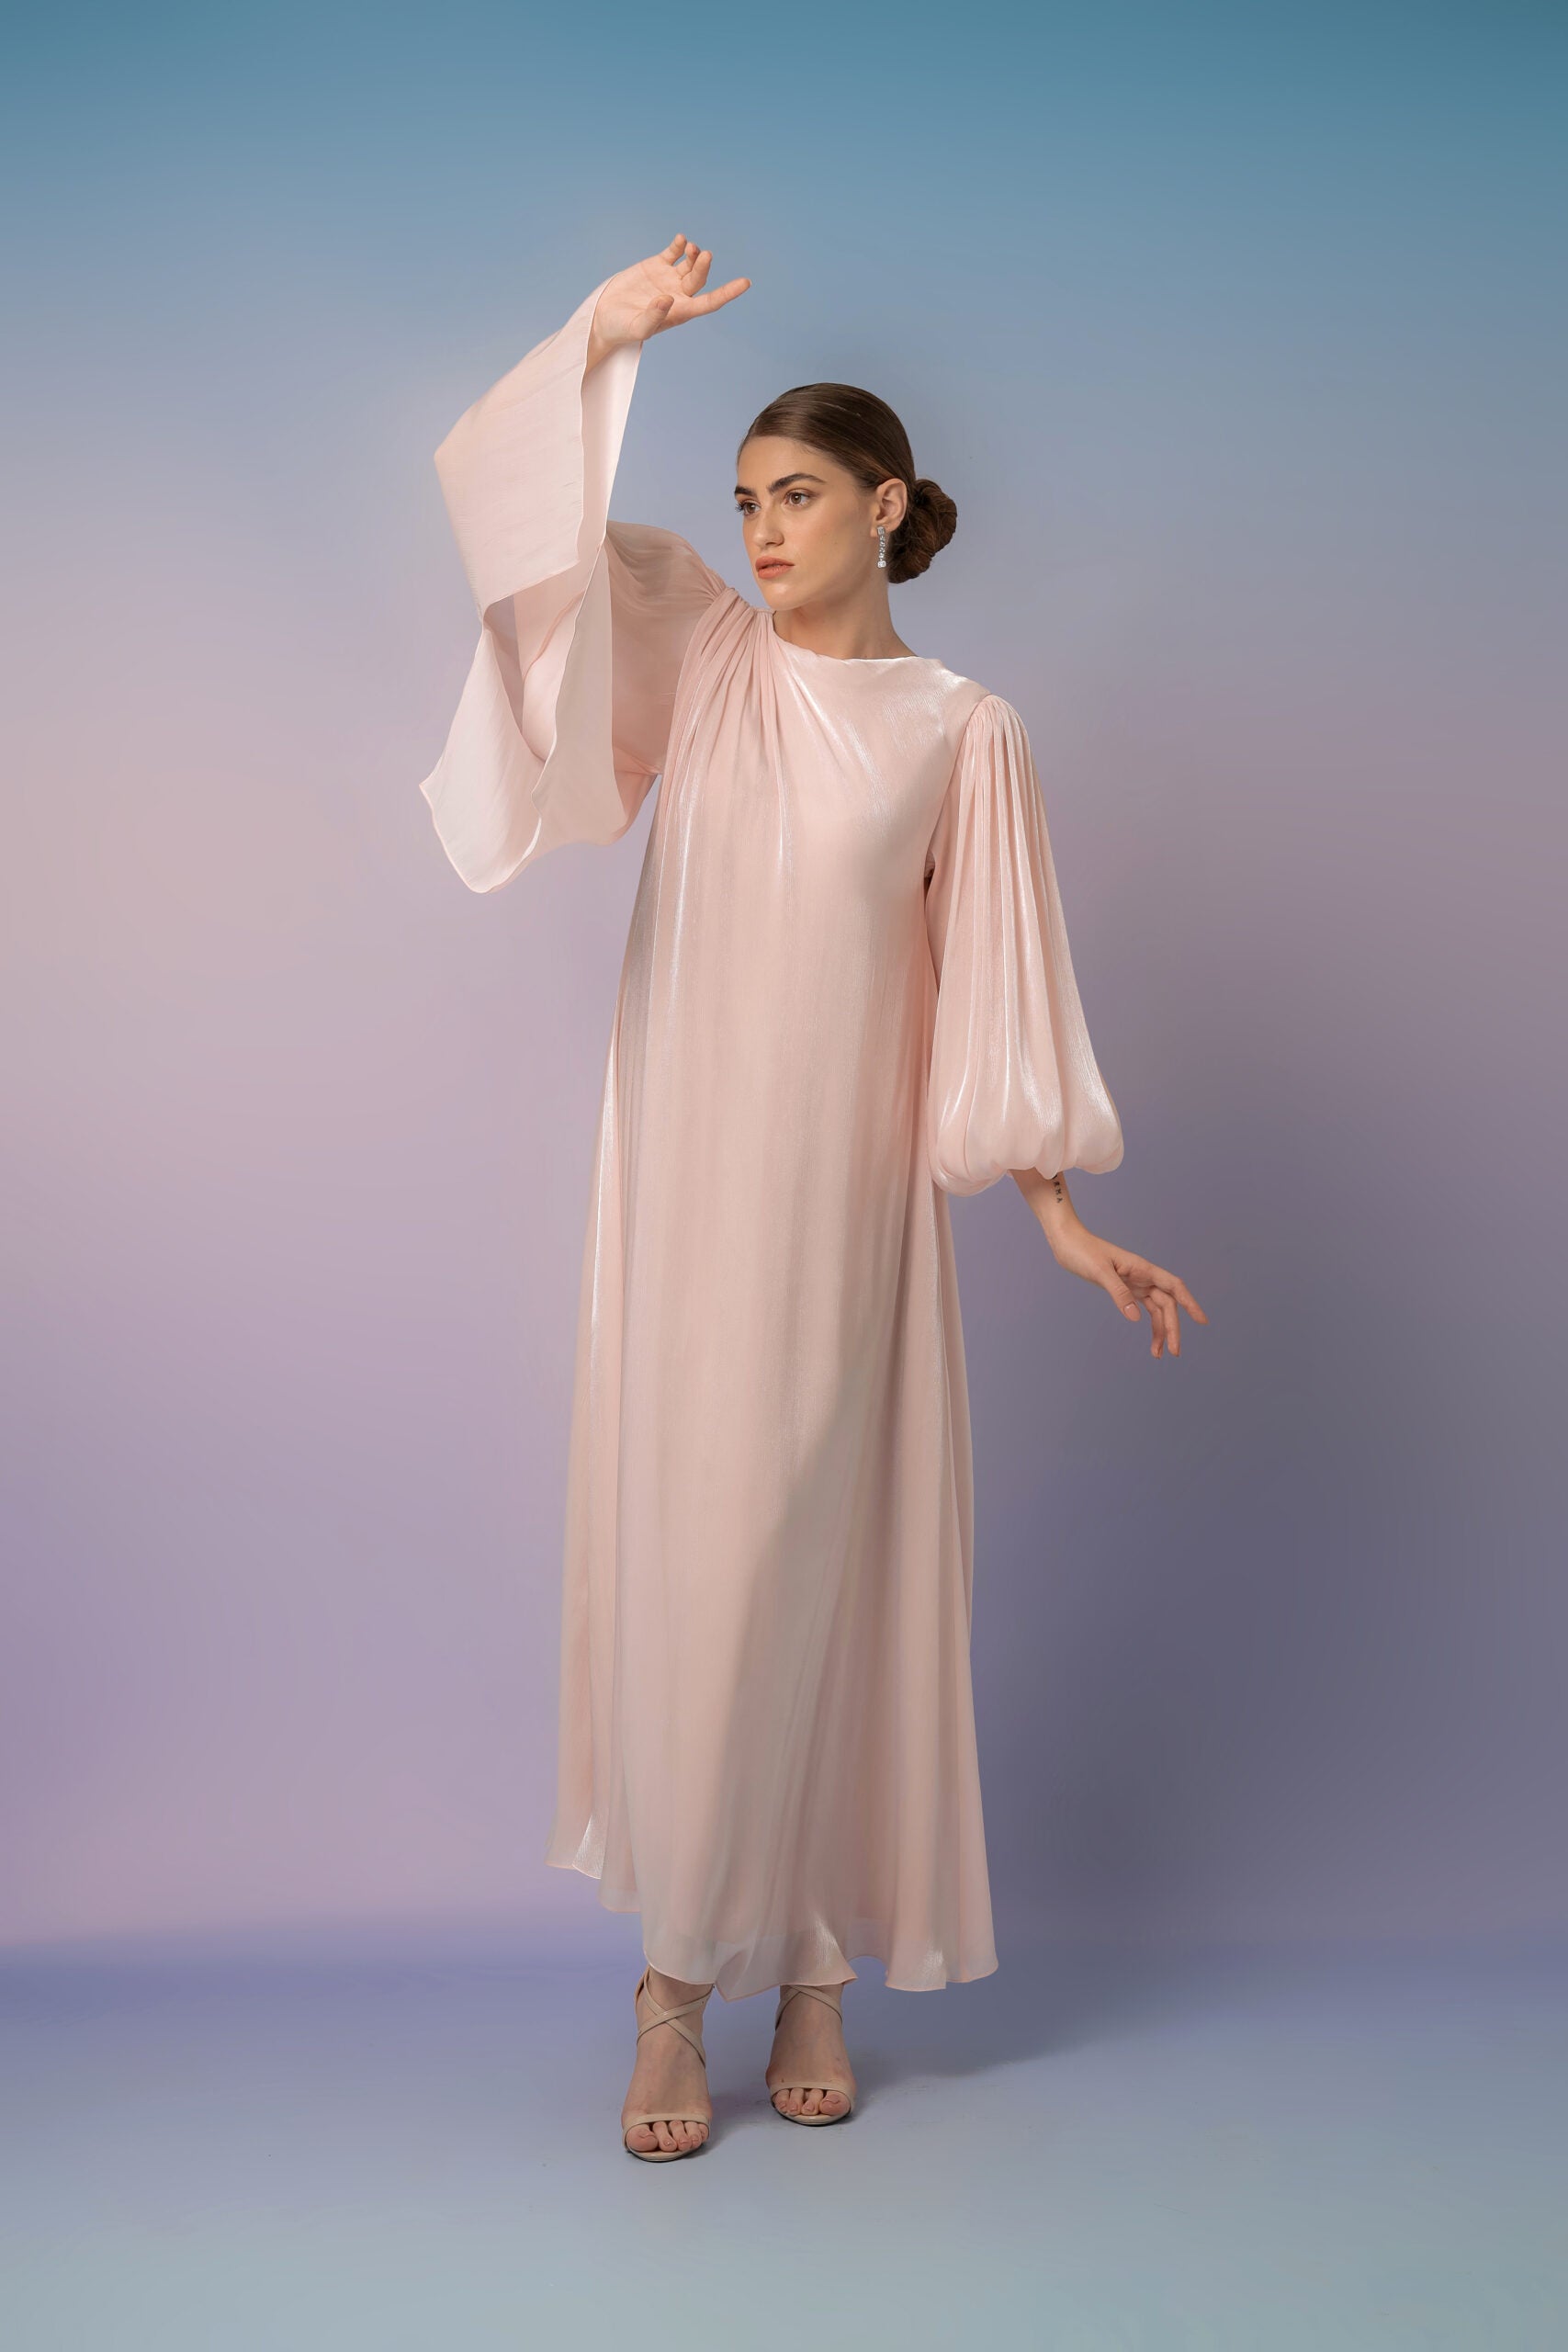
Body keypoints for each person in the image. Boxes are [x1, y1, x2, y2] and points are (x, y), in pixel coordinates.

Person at [420, 233, 1207, 2162]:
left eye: (794, 496)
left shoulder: (962, 730)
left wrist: (1056, 1215)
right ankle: (674, 1984)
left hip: (844, 1206)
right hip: (684, 1184)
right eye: (744, 499)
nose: (761, 530)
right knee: (705, 1553)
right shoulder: (699, 657)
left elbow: (993, 984)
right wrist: (596, 344)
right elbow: (519, 555)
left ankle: (816, 1962)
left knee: (824, 1557)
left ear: (886, 506)